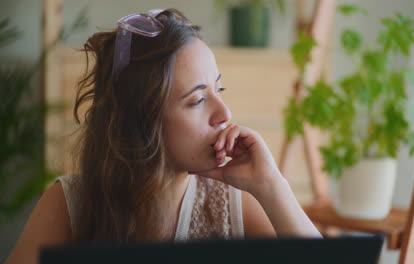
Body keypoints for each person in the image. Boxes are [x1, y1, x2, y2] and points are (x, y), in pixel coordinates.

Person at [6, 8, 321, 264]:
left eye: (219, 89)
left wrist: (271, 185)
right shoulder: (70, 203)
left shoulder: (234, 204)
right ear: (142, 120)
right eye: (197, 100)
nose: (224, 113)